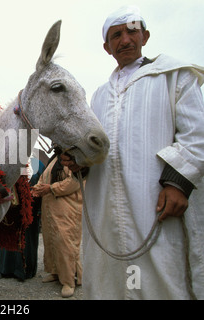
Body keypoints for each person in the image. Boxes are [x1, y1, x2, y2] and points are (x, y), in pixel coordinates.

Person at [61, 6, 204, 299]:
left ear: (145, 35)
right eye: (116, 35)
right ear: (107, 47)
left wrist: (178, 182)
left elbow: (196, 135)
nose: (125, 40)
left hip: (155, 205)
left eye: (132, 31)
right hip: (104, 211)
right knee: (109, 281)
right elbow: (94, 151)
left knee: (159, 280)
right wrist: (78, 161)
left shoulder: (174, 76)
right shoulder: (98, 95)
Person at [32, 147, 83, 298]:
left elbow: (74, 182)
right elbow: (44, 178)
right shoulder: (54, 158)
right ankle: (55, 272)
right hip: (51, 208)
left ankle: (69, 281)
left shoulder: (73, 159)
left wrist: (51, 188)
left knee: (65, 243)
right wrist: (36, 189)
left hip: (66, 209)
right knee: (51, 241)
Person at [0, 157, 45, 282]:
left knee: (27, 237)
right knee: (7, 233)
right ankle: (4, 269)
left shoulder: (37, 164)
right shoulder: (8, 162)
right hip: (10, 206)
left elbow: (40, 182)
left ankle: (24, 270)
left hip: (29, 207)